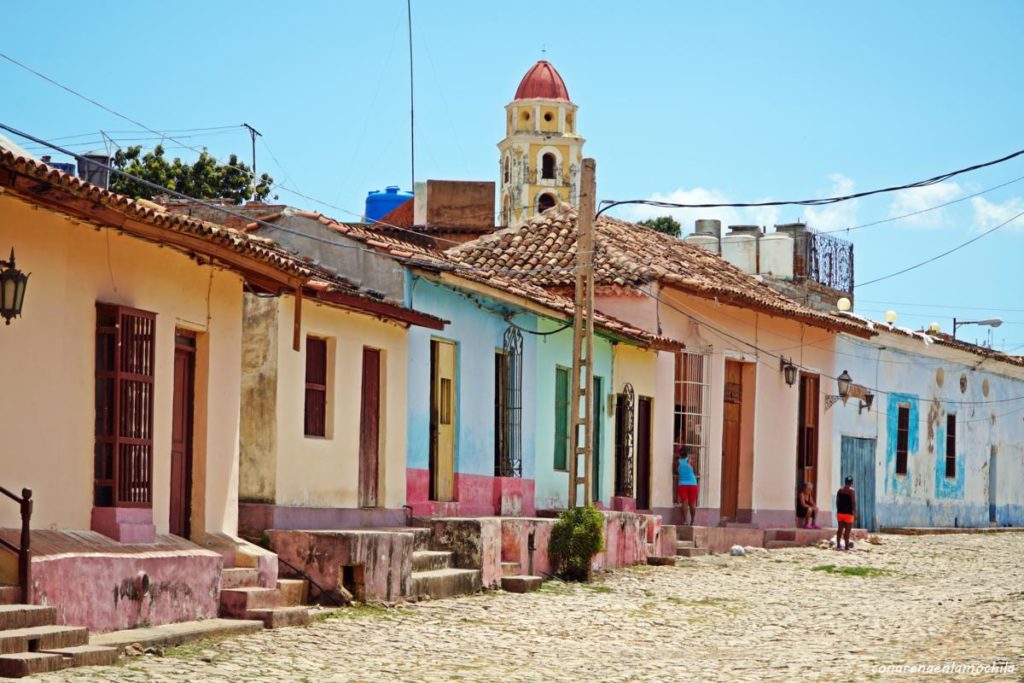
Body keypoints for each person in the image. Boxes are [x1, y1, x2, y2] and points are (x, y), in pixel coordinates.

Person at [675, 446, 698, 526]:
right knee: (692, 503)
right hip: (692, 483)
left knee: (685, 502)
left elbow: (675, 471)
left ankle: (685, 521)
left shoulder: (678, 462)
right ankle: (693, 521)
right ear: (687, 453)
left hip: (682, 484)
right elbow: (694, 470)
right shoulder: (691, 460)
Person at [835, 476, 857, 551]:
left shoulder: (840, 490)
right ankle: (846, 546)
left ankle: (838, 544)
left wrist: (838, 510)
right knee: (847, 530)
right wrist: (855, 512)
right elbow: (853, 502)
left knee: (840, 529)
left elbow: (837, 501)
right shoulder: (852, 491)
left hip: (840, 513)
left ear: (845, 481)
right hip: (848, 513)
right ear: (851, 483)